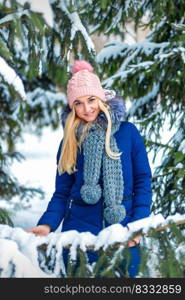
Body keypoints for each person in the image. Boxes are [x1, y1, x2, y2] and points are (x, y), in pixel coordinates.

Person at [27, 60, 152, 277]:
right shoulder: (69, 141)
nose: (87, 109)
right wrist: (47, 224)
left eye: (91, 100)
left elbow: (143, 181)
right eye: (79, 103)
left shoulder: (128, 133)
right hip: (79, 233)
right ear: (71, 107)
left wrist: (138, 225)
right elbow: (63, 192)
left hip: (123, 228)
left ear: (101, 98)